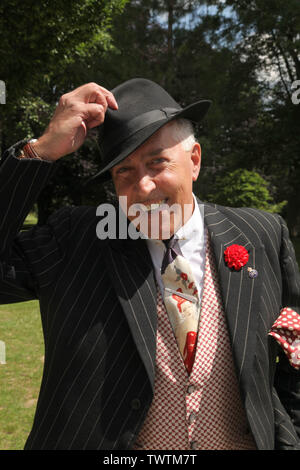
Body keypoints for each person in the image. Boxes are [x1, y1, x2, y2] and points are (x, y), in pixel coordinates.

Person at [0, 78, 299, 450]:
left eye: (157, 162)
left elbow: (291, 358)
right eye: (124, 171)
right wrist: (40, 151)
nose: (142, 188)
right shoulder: (75, 238)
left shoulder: (263, 233)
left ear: (194, 161)